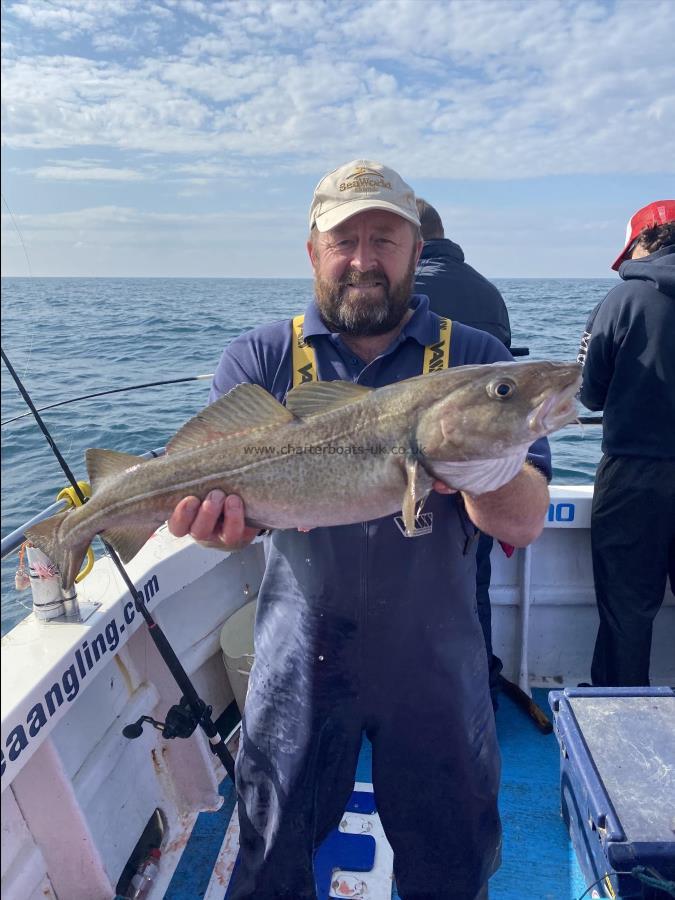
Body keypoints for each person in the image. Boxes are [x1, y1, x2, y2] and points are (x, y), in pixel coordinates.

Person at [168, 160, 552, 900]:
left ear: (416, 251)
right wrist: (216, 530)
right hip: (298, 658)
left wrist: (475, 460)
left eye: (385, 239)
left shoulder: (474, 359)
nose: (363, 260)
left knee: (450, 866)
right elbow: (231, 527)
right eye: (344, 240)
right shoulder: (263, 357)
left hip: (436, 662)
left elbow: (527, 521)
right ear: (312, 251)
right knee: (272, 861)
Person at [414, 198, 512, 711]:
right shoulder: (488, 293)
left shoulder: (402, 291)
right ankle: (481, 696)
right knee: (473, 586)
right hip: (479, 472)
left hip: (409, 468)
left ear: (413, 243)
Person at [578, 200, 675, 687]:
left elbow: (589, 394)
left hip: (634, 474)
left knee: (626, 612)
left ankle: (619, 721)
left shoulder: (621, 302)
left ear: (643, 241)